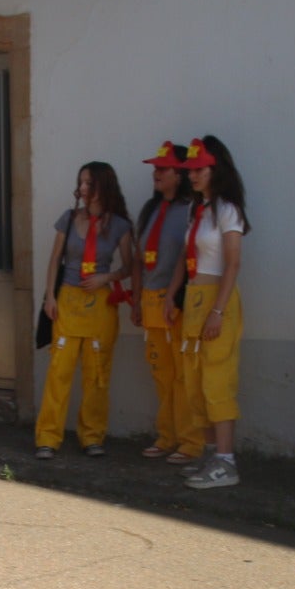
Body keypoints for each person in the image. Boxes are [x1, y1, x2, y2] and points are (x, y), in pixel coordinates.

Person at [35, 161, 136, 458]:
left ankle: (92, 436)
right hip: (68, 299)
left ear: (103, 186)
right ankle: (47, 438)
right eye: (80, 182)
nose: (82, 188)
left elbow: (130, 266)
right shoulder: (68, 219)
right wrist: (50, 298)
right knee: (59, 372)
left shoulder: (119, 225)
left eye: (88, 183)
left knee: (97, 374)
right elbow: (55, 259)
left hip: (100, 303)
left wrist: (106, 277)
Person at [164, 136, 248, 490]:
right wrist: (172, 296)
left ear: (216, 170)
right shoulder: (196, 210)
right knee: (196, 383)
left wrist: (217, 310)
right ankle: (213, 456)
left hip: (217, 299)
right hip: (195, 298)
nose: (193, 176)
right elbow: (186, 259)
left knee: (216, 381)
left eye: (199, 170)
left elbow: (233, 263)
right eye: (191, 171)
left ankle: (226, 462)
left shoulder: (228, 210)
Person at [131, 142, 199, 462]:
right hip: (150, 300)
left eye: (163, 168)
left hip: (177, 304)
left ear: (180, 174)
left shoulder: (191, 210)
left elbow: (189, 259)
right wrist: (135, 298)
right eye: (155, 168)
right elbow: (138, 257)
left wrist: (176, 296)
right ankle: (166, 435)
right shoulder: (151, 209)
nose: (155, 174)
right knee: (161, 373)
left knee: (183, 376)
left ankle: (191, 441)